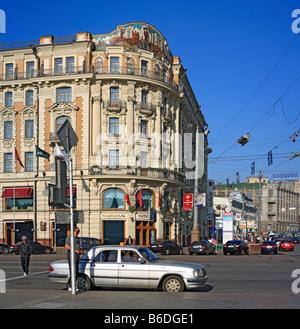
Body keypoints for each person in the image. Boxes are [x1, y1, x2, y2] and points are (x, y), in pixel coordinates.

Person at [65, 226, 82, 292]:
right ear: (74, 231)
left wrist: (79, 251)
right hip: (71, 255)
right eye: (77, 231)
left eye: (78, 232)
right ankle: (71, 286)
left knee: (76, 271)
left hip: (77, 255)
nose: (78, 233)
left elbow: (78, 247)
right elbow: (66, 246)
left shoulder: (77, 239)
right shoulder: (69, 237)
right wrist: (75, 250)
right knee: (73, 271)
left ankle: (73, 285)